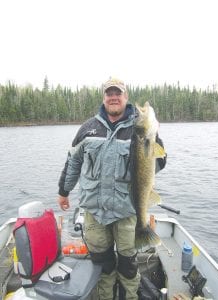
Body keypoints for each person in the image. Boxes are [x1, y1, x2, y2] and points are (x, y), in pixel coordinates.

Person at [57, 78, 166, 300]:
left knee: (128, 265)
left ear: (125, 97)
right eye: (109, 93)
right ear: (104, 98)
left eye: (118, 93)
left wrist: (154, 138)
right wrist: (64, 191)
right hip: (95, 213)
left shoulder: (139, 130)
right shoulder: (88, 129)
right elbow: (73, 162)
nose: (113, 97)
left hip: (127, 212)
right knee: (102, 265)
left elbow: (160, 163)